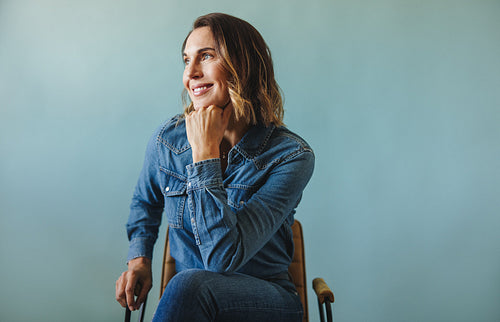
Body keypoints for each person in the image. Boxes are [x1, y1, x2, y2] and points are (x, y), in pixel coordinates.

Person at [115, 12, 314, 322]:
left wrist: (204, 153)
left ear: (242, 66)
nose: (190, 73)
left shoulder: (290, 156)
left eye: (205, 56)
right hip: (191, 303)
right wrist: (138, 262)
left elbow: (222, 261)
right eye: (186, 60)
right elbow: (145, 201)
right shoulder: (167, 141)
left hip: (266, 300)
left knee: (191, 284)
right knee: (190, 286)